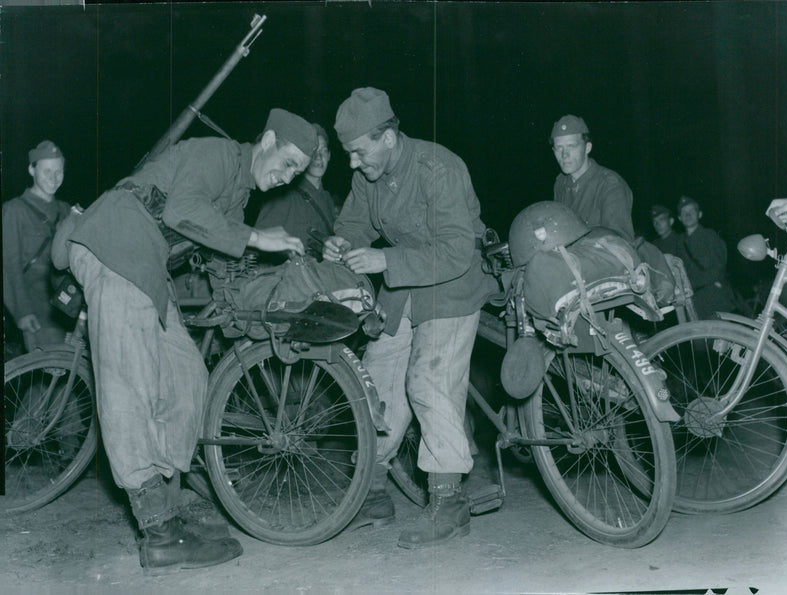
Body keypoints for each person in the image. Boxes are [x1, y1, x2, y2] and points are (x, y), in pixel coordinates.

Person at [65, 108, 317, 573]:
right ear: (266, 141)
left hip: (146, 264)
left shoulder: (239, 196)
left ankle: (169, 509)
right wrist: (259, 238)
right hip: (116, 242)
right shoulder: (218, 154)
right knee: (129, 383)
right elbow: (184, 211)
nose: (286, 177)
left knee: (188, 376)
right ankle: (158, 530)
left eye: (297, 173)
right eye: (286, 162)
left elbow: (224, 257)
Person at [323, 87, 496, 549]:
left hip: (453, 285)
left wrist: (385, 262)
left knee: (427, 380)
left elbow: (458, 249)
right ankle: (372, 490)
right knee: (375, 381)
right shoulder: (369, 176)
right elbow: (355, 223)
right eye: (349, 155)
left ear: (388, 137)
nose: (354, 164)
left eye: (359, 152)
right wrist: (341, 242)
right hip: (404, 290)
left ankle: (449, 500)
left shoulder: (437, 168)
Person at [3, 140, 72, 352]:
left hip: (67, 306)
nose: (54, 178)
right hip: (35, 308)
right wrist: (21, 311)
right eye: (47, 171)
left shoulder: (66, 210)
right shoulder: (14, 210)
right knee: (45, 376)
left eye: (59, 171)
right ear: (32, 169)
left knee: (72, 377)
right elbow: (8, 266)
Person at [254, 123, 338, 259]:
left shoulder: (328, 199)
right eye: (314, 152)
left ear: (329, 155)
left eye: (323, 151)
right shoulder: (283, 196)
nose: (318, 158)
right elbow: (261, 241)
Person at [550, 115, 635, 242]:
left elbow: (620, 242)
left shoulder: (609, 184)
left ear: (587, 148)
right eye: (559, 148)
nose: (564, 155)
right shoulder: (561, 184)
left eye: (571, 146)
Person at [675, 195, 736, 319]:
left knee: (719, 336)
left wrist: (689, 284)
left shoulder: (710, 236)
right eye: (684, 212)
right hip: (694, 302)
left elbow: (718, 270)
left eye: (692, 211)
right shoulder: (680, 243)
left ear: (700, 214)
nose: (688, 215)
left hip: (713, 298)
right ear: (679, 218)